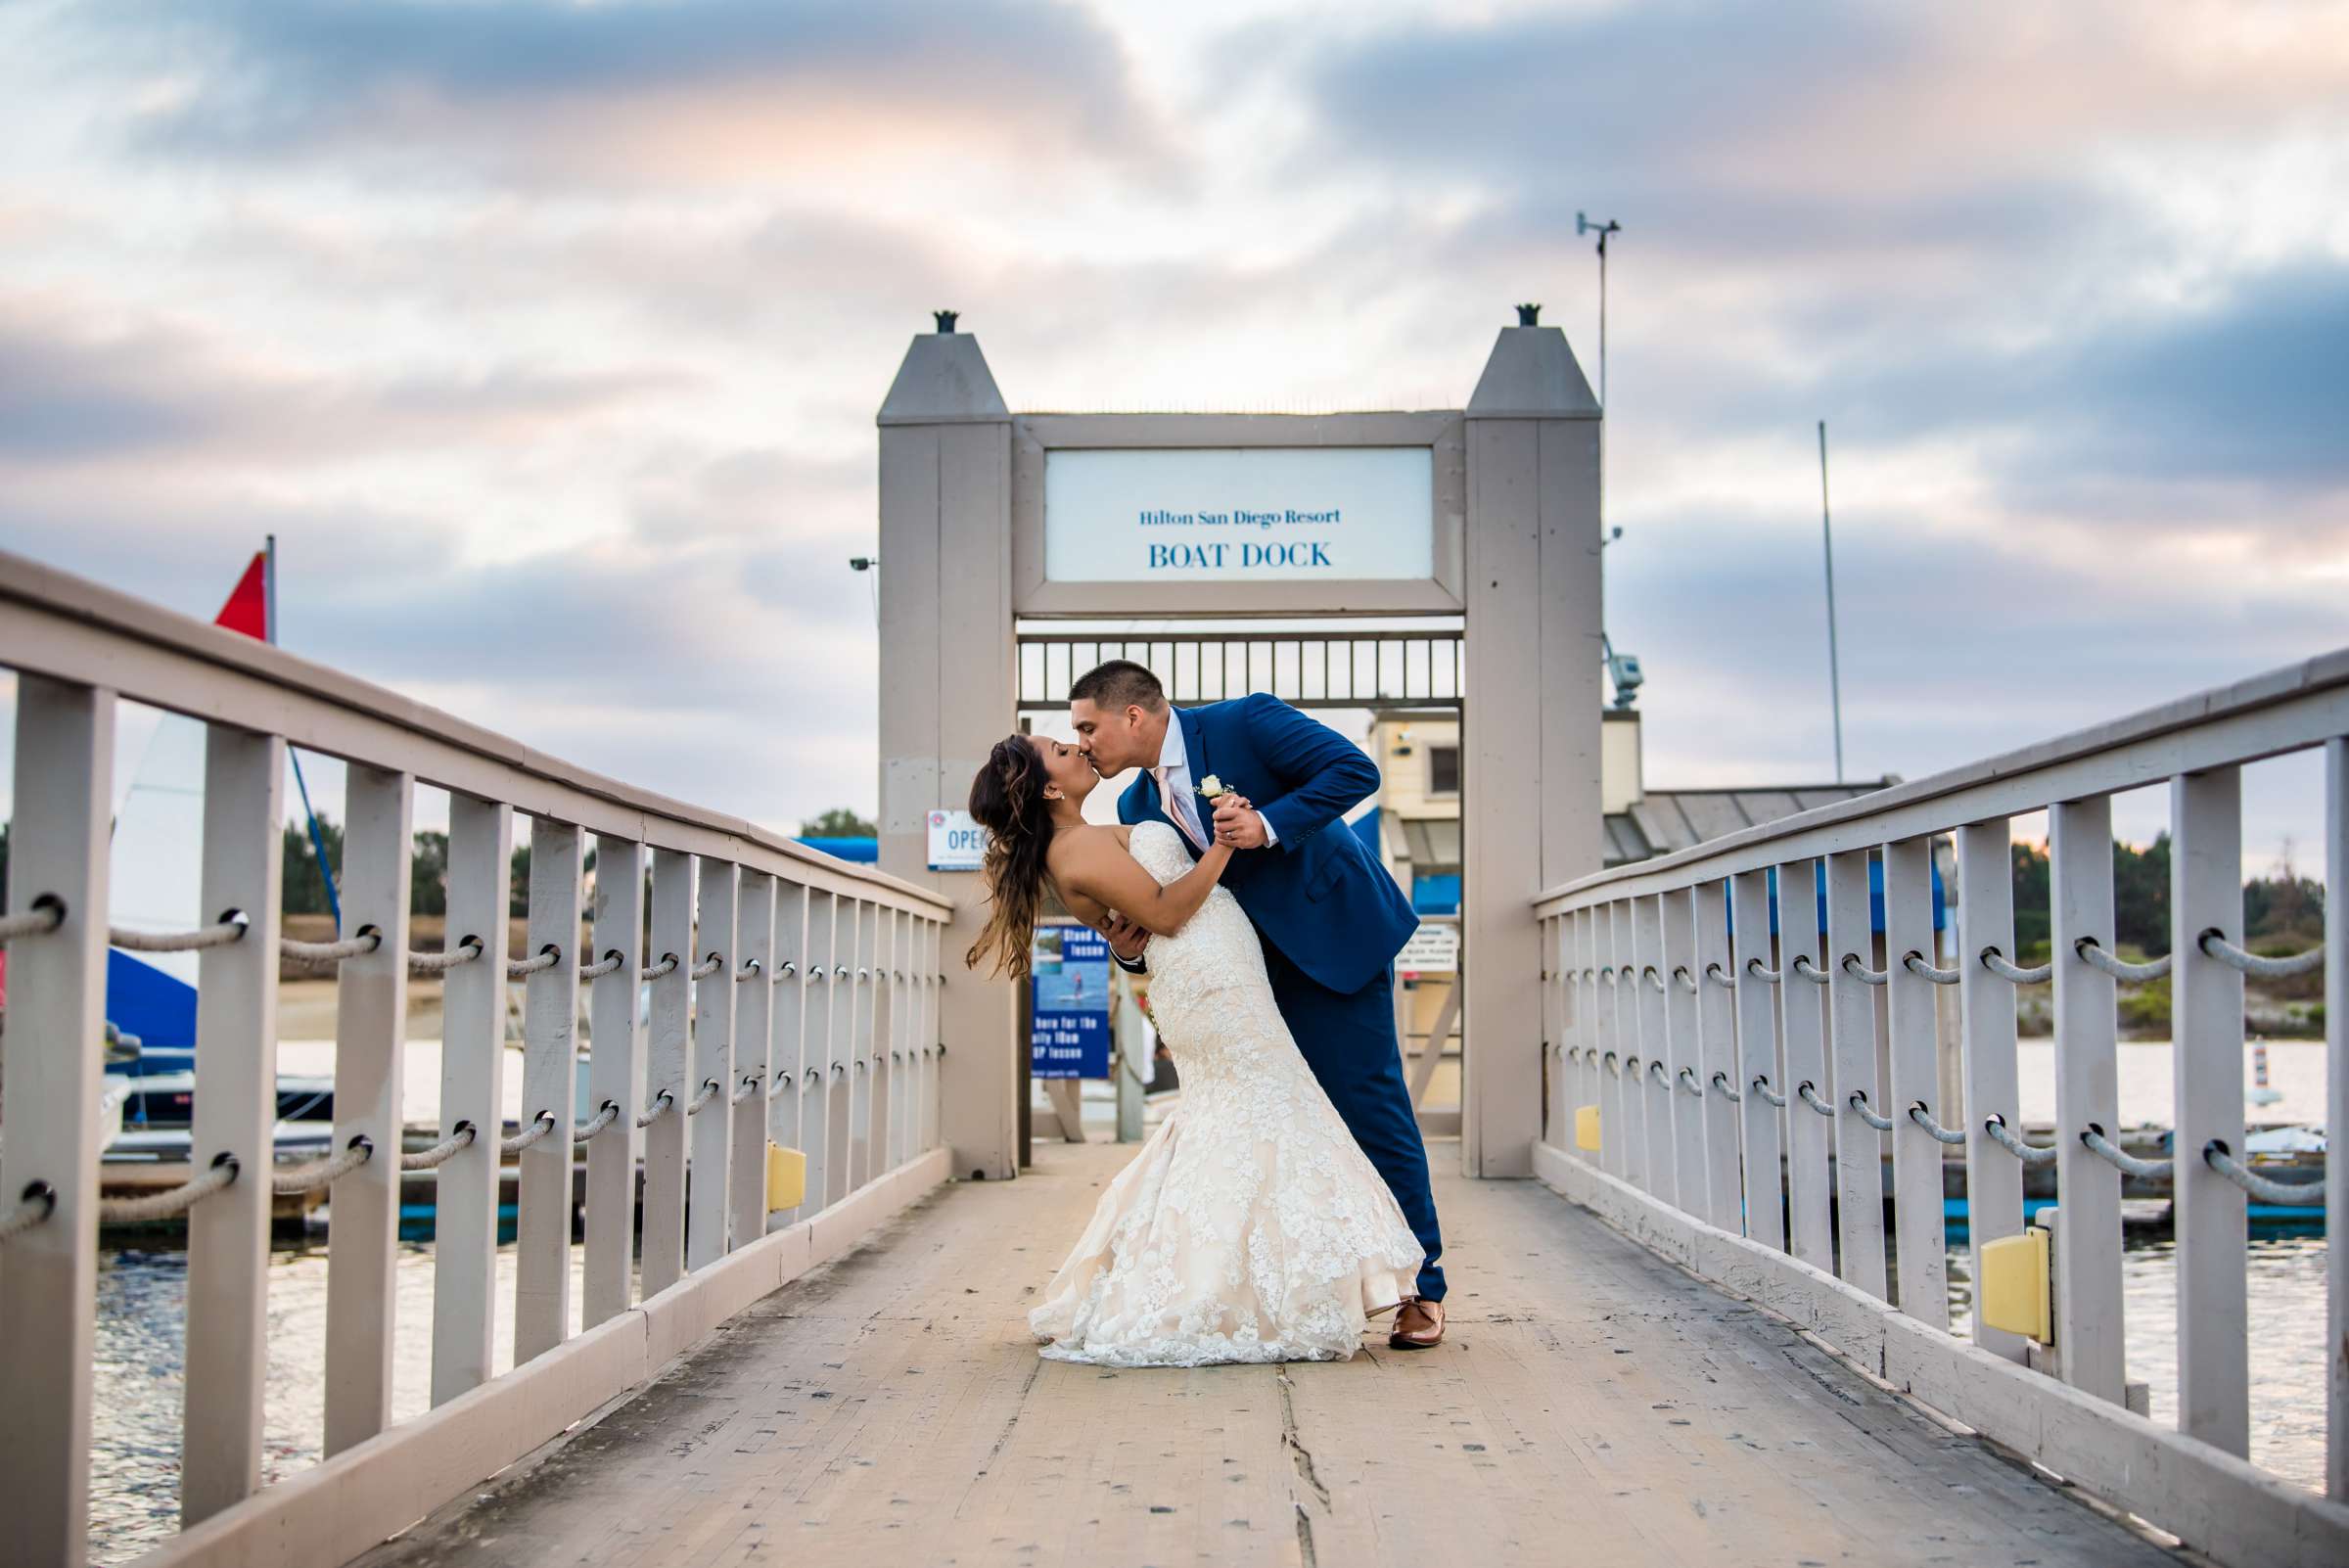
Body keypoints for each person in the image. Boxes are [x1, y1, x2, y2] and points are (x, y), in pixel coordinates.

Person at [965, 725, 1423, 1366]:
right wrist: (1224, 847)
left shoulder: (1095, 831)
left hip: (1226, 973)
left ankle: (1266, 1280)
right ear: (1046, 786)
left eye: (1081, 734)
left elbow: (1132, 929)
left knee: (1256, 1119)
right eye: (1064, 750)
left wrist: (1132, 938)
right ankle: (1238, 1288)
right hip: (1210, 987)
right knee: (1262, 1112)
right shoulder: (1074, 848)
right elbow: (1166, 913)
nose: (1078, 748)